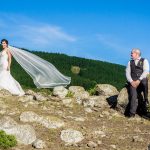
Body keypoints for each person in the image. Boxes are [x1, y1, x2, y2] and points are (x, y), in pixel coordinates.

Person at [0, 39, 71, 96]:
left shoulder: (8, 50)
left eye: (4, 43)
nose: (3, 44)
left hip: (5, 65)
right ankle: (4, 88)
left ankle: (10, 90)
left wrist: (9, 66)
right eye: (2, 43)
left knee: (5, 76)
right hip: (1, 64)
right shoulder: (2, 50)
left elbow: (10, 58)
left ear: (7, 44)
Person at [125, 48, 149, 117]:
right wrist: (131, 81)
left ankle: (146, 98)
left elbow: (146, 71)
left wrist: (139, 80)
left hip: (141, 81)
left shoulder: (144, 60)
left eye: (132, 53)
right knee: (133, 96)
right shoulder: (130, 62)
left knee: (144, 81)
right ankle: (132, 114)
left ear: (137, 54)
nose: (131, 54)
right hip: (133, 83)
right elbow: (127, 73)